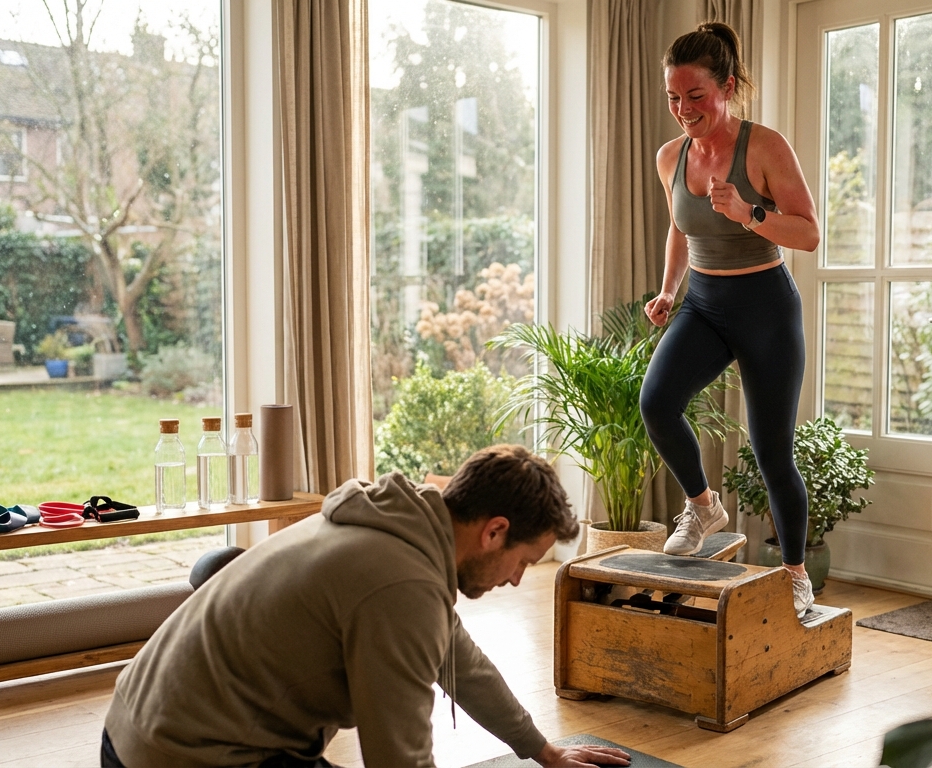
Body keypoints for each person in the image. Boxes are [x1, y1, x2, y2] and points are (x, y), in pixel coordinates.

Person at [101, 445, 631, 768]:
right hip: (186, 757)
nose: (518, 580)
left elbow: (463, 666)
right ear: (494, 531)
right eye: (524, 561)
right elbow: (399, 759)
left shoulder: (396, 528)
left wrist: (543, 749)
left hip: (136, 731)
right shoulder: (400, 584)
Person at [641, 22, 821, 620]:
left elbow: (809, 233)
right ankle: (702, 504)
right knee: (657, 402)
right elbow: (679, 224)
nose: (683, 109)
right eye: (673, 97)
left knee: (773, 454)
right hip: (704, 305)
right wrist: (669, 290)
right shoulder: (672, 156)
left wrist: (750, 212)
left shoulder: (765, 147)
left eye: (695, 95)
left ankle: (795, 574)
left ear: (728, 87)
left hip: (766, 306)